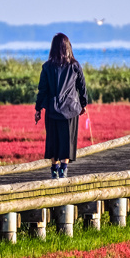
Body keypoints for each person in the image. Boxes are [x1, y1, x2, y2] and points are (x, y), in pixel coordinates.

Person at [34, 33, 88, 178]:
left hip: (52, 109)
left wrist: (38, 108)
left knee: (53, 139)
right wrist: (83, 104)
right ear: (68, 47)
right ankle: (64, 169)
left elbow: (42, 90)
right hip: (71, 109)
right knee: (67, 140)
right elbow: (82, 87)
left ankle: (54, 168)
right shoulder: (75, 66)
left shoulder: (46, 67)